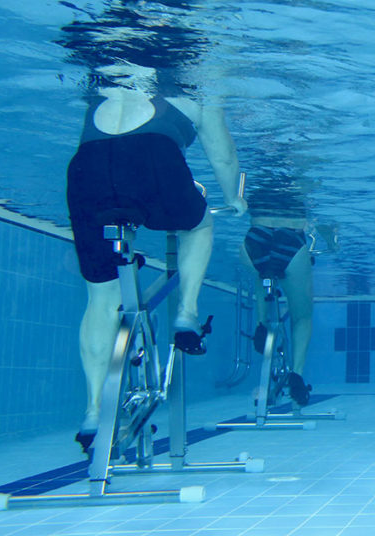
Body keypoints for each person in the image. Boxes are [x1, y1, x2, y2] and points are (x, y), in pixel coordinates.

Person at [67, 61, 247, 451]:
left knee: (100, 298)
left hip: (87, 167)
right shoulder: (197, 80)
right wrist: (234, 198)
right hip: (152, 157)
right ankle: (186, 313)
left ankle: (93, 412)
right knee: (198, 227)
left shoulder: (109, 75)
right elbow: (224, 156)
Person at [240, 214, 321, 407]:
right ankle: (297, 376)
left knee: (263, 273)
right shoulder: (304, 191)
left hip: (254, 238)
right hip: (291, 239)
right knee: (302, 315)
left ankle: (261, 324)